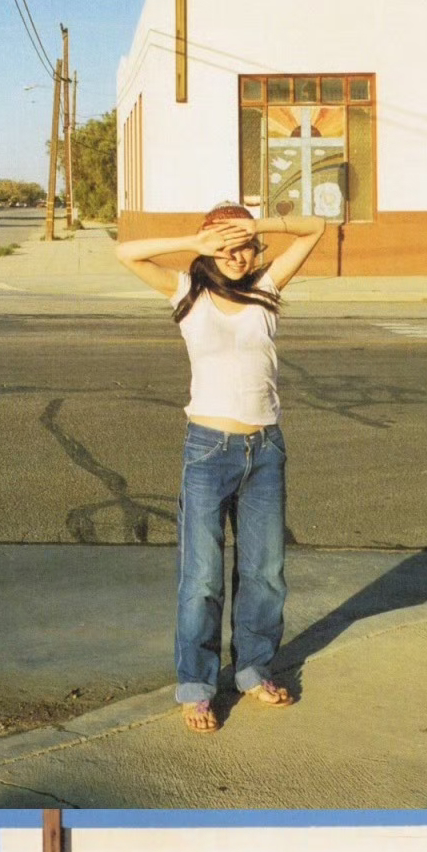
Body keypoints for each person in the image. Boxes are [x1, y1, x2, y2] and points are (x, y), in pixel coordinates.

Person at [118, 201, 323, 730]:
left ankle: (253, 671)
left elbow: (315, 228)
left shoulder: (266, 290)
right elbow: (126, 253)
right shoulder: (188, 292)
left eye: (244, 247)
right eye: (225, 247)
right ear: (209, 250)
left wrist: (259, 225)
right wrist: (196, 242)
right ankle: (197, 687)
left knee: (265, 574)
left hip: (265, 450)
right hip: (208, 451)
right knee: (202, 577)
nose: (236, 256)